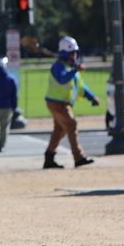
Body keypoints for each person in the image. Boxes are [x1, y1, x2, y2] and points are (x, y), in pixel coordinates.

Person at [43, 36, 98, 169]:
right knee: (71, 125)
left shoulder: (71, 68)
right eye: (72, 53)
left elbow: (81, 87)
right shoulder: (58, 66)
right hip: (57, 104)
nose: (75, 56)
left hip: (63, 104)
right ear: (65, 53)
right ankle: (78, 157)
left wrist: (92, 97)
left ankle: (49, 158)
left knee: (60, 130)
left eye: (75, 53)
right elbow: (62, 79)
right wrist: (75, 70)